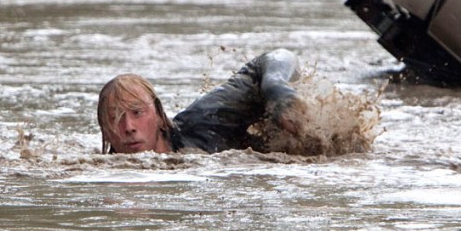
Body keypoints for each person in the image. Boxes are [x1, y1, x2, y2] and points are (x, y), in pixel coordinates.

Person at [97, 49, 305, 154]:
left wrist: (276, 88)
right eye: (115, 119)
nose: (128, 127)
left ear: (160, 117)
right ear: (106, 131)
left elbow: (278, 57)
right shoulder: (102, 173)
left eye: (137, 112)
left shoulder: (205, 119)